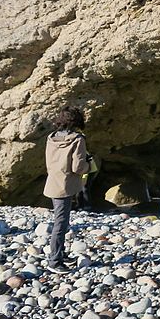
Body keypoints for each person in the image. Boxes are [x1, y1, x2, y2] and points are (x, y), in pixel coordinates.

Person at [43, 106, 93, 274]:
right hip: (66, 185)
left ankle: (61, 254)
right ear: (77, 121)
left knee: (61, 222)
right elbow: (78, 167)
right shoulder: (78, 139)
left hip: (53, 182)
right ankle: (54, 261)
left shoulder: (51, 137)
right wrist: (89, 165)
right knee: (60, 224)